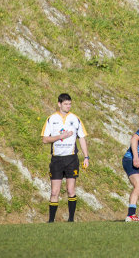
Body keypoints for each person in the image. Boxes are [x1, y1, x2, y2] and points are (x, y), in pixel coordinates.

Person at [41, 93, 89, 222]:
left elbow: (82, 138)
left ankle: (71, 219)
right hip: (56, 159)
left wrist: (86, 157)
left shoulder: (75, 119)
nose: (68, 106)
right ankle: (51, 220)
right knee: (54, 191)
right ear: (59, 104)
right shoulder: (51, 119)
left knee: (70, 189)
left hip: (71, 159)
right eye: (66, 104)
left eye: (70, 104)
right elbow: (45, 139)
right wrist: (60, 137)